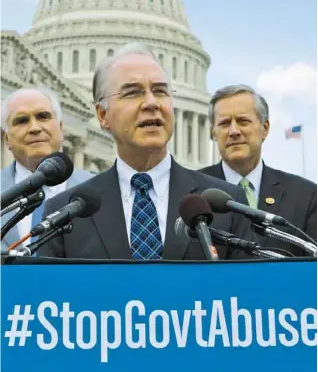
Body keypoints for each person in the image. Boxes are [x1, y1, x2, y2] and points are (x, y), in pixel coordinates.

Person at [40, 43, 251, 260]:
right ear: (103, 114)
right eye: (133, 93)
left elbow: (248, 290)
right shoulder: (65, 213)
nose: (151, 103)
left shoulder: (228, 205)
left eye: (160, 91)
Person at [199, 84, 317, 255]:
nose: (234, 131)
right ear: (214, 133)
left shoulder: (305, 195)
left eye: (243, 121)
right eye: (225, 123)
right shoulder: (191, 192)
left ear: (265, 129)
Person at [1, 88, 93, 250]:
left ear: (61, 128)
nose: (35, 128)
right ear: (6, 138)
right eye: (22, 121)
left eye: (43, 116)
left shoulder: (98, 189)